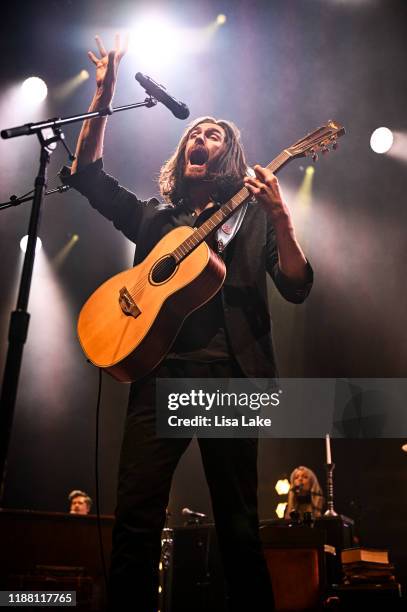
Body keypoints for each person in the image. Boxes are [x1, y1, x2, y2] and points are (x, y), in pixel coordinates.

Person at [62, 35, 313, 612]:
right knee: (135, 520)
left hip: (230, 376)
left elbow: (297, 286)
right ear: (182, 155)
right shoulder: (157, 219)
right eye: (192, 134)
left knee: (239, 527)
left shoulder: (252, 218)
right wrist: (103, 94)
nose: (199, 138)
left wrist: (280, 215)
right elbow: (89, 175)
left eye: (213, 135)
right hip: (161, 373)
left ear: (228, 156)